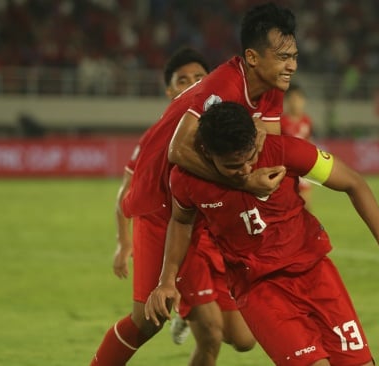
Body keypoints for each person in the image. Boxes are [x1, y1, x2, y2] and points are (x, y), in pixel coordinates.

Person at [92, 2, 299, 365]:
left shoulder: (271, 88)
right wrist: (245, 182)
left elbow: (269, 147)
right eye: (283, 57)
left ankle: (191, 307)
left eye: (294, 55)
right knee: (147, 321)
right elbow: (177, 151)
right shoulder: (222, 86)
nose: (292, 65)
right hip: (161, 200)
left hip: (200, 202)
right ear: (253, 57)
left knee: (243, 337)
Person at [144, 101, 379, 366]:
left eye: (251, 158)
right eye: (232, 166)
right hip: (259, 288)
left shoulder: (284, 151)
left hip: (316, 274)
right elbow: (181, 222)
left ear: (256, 140)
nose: (246, 170)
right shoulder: (187, 180)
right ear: (206, 153)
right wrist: (167, 280)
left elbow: (353, 182)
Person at [92, 47, 255, 366]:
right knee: (200, 332)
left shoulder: (223, 130)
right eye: (183, 80)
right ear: (170, 90)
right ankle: (182, 304)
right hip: (175, 229)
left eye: (199, 78)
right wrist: (124, 242)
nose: (193, 84)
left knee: (244, 339)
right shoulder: (160, 135)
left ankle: (184, 308)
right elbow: (128, 193)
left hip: (211, 236)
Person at [280, 83, 313, 209]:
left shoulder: (307, 121)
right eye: (293, 99)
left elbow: (309, 141)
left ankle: (306, 228)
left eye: (299, 99)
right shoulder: (282, 122)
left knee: (306, 205)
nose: (296, 103)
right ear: (287, 101)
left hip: (303, 167)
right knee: (287, 204)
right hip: (287, 169)